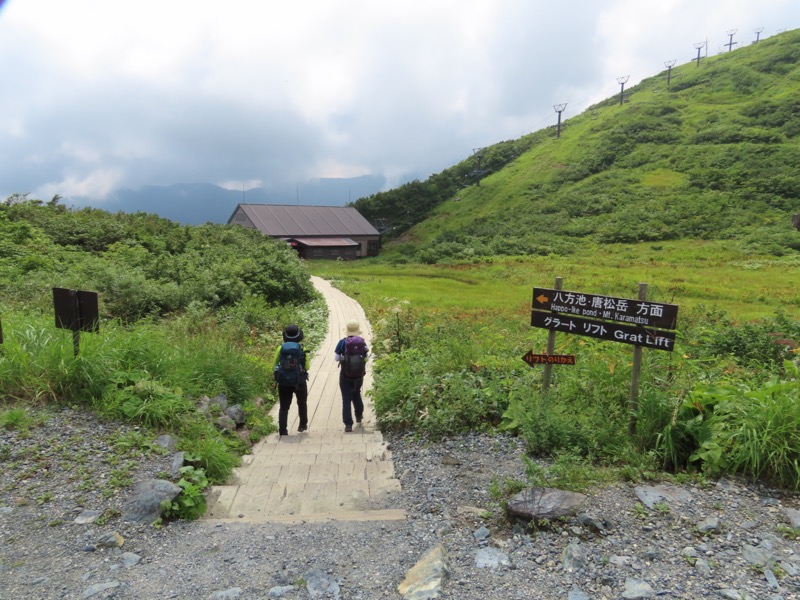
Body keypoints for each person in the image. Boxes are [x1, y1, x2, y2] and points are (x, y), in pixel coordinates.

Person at [272, 324, 309, 436]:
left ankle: (283, 430)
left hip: (284, 381)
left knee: (284, 407)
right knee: (302, 403)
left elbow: (274, 365)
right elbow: (307, 366)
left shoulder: (280, 348)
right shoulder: (302, 348)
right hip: (300, 381)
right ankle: (302, 424)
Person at [334, 320, 368, 432]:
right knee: (356, 393)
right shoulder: (362, 342)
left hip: (345, 374)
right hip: (358, 375)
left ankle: (348, 424)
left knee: (346, 399)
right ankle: (359, 415)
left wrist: (345, 358)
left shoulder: (342, 342)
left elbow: (337, 358)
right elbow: (366, 356)